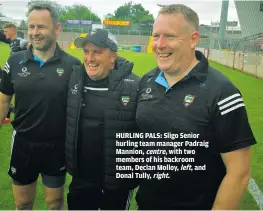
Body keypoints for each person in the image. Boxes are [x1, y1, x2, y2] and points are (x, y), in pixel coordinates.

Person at [135, 4, 256, 210]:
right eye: (156, 36)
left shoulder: (222, 92)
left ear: (193, 39)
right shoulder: (147, 81)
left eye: (170, 36)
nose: (160, 44)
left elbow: (239, 172)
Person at [0, 3, 80, 210]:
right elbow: (3, 100)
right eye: (31, 26)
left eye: (41, 27)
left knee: (55, 203)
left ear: (57, 28)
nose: (35, 33)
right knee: (23, 203)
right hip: (23, 144)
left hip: (56, 146)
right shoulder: (14, 62)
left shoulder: (73, 65)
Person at [65, 28, 140, 210]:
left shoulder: (135, 86)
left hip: (116, 183)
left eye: (97, 52)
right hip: (81, 179)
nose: (89, 58)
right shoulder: (75, 79)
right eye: (86, 51)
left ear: (113, 56)